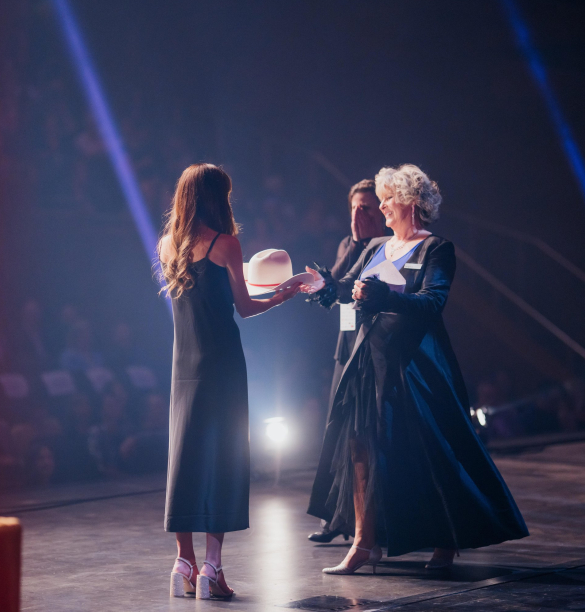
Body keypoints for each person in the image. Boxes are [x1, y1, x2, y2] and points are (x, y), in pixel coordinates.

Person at [303, 164, 528, 575]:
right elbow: (347, 289)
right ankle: (362, 543)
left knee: (429, 452)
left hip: (415, 369)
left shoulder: (436, 249)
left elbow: (432, 302)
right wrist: (324, 286)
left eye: (388, 198)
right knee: (359, 447)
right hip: (369, 364)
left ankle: (446, 540)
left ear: (409, 201)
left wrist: (384, 295)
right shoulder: (376, 248)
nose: (383, 205)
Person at [159, 163, 300, 599]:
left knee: (183, 460)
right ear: (218, 198)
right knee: (223, 460)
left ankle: (184, 563)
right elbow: (245, 307)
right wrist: (285, 293)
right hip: (221, 365)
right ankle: (212, 569)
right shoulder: (226, 245)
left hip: (183, 366)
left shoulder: (167, 245)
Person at [309, 179, 385, 544]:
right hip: (346, 340)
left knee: (362, 437)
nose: (359, 215)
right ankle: (332, 518)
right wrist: (355, 243)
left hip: (373, 347)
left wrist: (367, 244)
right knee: (335, 428)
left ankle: (366, 523)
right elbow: (335, 284)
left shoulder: (386, 247)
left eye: (367, 208)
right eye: (354, 208)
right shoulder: (348, 243)